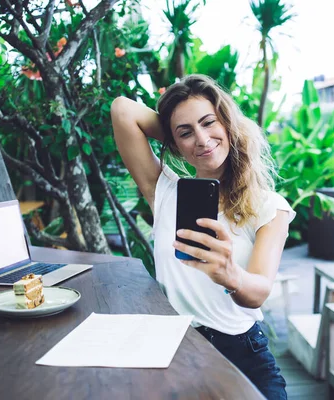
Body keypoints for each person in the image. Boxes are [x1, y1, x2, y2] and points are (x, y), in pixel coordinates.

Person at [111, 74, 295, 399]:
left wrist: (230, 275)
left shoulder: (269, 207)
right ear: (174, 143)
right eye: (186, 133)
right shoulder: (164, 191)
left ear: (227, 123)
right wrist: (177, 133)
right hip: (176, 350)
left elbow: (258, 293)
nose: (201, 138)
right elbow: (123, 110)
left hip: (241, 351)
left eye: (209, 122)